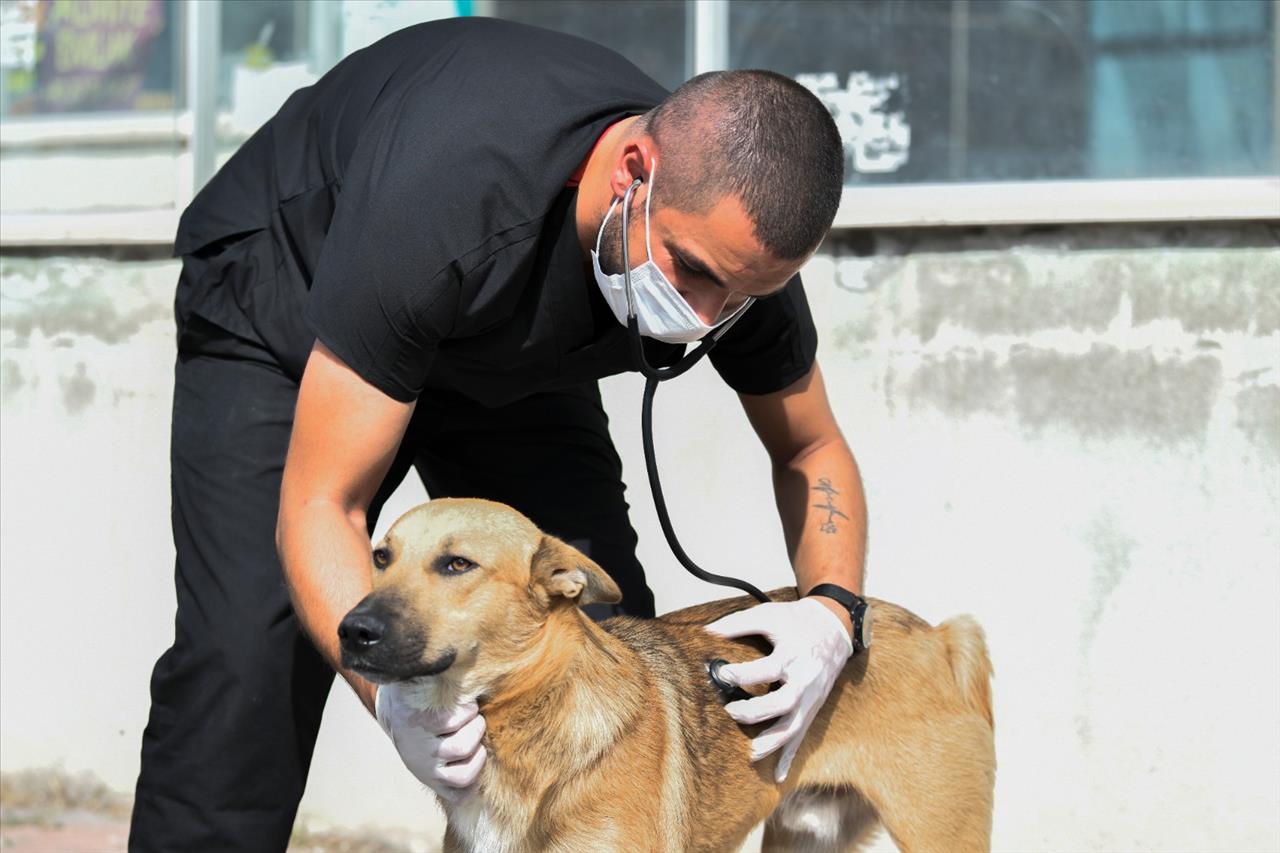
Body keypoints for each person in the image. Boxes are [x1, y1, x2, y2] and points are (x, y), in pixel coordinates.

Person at [130, 17, 867, 852]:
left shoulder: (733, 251)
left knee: (600, 632)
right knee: (249, 668)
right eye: (691, 271)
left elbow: (810, 447)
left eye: (736, 295)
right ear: (634, 172)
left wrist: (833, 613)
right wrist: (397, 705)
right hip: (288, 304)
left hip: (500, 347)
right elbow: (321, 503)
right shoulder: (444, 199)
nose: (702, 319)